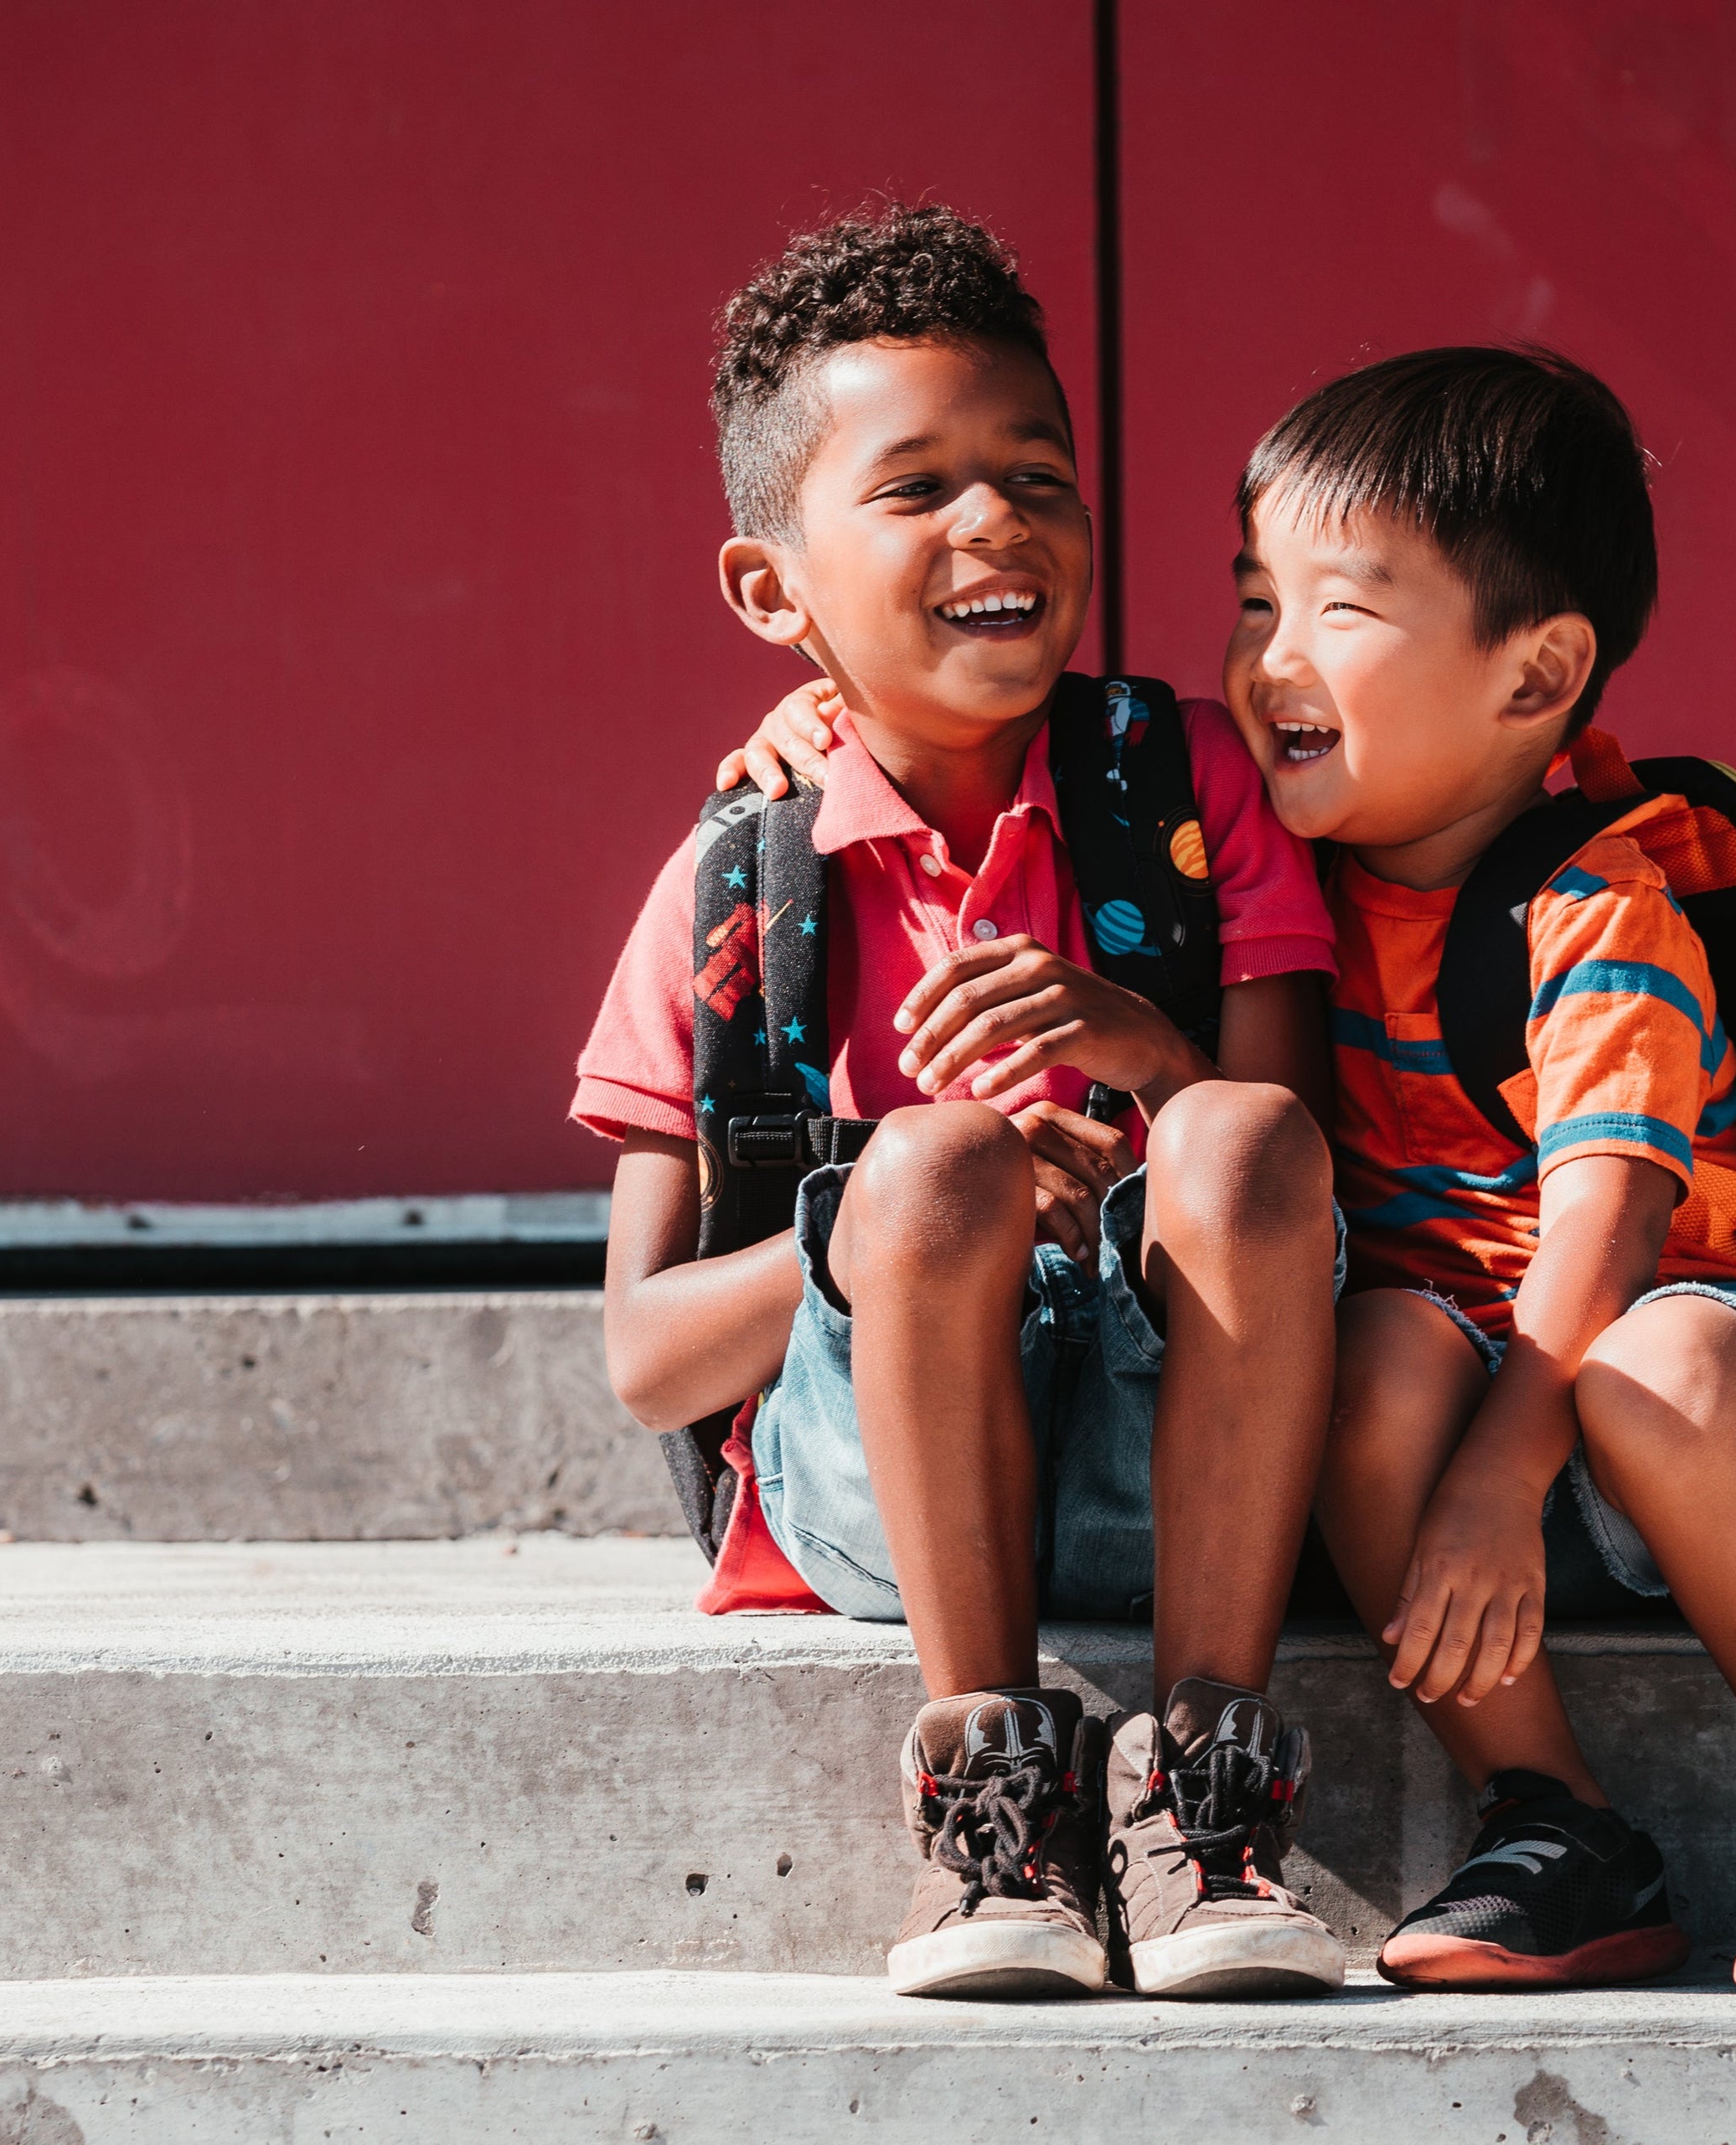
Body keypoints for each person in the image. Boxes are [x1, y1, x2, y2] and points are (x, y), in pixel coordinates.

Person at [572, 204, 1348, 2001]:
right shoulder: (739, 886)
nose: (997, 522)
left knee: (1236, 1130)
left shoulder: (1188, 787)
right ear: (772, 592)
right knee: (929, 1168)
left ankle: (1210, 1788)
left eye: (1037, 475)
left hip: (1187, 1459)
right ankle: (994, 1801)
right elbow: (647, 1356)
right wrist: (901, 1219)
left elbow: (1309, 1185)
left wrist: (1146, 1065)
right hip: (878, 1489)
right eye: (916, 488)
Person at [1227, 346, 1736, 1993]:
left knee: (1656, 1357)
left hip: (1713, 1405)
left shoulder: (1594, 904)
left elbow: (1613, 1216)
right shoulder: (1272, 881)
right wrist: (822, 711)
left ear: (1536, 673)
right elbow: (1058, 756)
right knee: (1371, 1350)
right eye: (1253, 599)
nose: (1272, 658)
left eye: (1336, 609)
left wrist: (1499, 1476)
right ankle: (1557, 1823)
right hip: (1471, 1434)